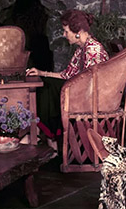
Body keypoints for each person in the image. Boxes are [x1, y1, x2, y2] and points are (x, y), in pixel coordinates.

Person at [26, 9, 109, 145]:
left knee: (48, 89)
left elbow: (89, 83)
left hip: (90, 97)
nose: (64, 35)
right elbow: (67, 75)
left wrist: (65, 86)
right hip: (78, 90)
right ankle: (49, 136)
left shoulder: (93, 49)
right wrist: (41, 73)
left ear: (78, 32)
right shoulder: (81, 48)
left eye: (66, 31)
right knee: (46, 83)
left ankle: (50, 137)